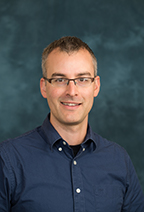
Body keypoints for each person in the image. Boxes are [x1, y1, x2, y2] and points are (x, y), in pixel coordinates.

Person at [0, 36, 144, 212]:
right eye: (60, 79)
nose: (72, 91)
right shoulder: (8, 160)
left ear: (96, 86)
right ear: (44, 87)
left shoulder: (119, 160)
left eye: (82, 79)